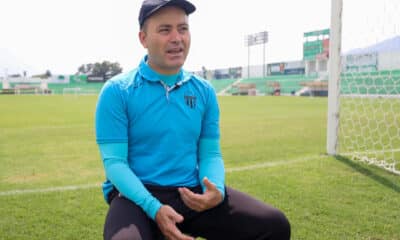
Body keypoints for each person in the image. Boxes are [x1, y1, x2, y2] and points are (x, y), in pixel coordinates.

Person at [95, 0, 291, 239]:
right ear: (143, 39)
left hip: (190, 193)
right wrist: (154, 208)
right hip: (135, 196)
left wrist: (215, 190)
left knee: (274, 226)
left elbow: (210, 154)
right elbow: (115, 164)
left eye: (183, 28)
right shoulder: (117, 91)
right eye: (165, 30)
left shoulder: (204, 91)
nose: (177, 38)